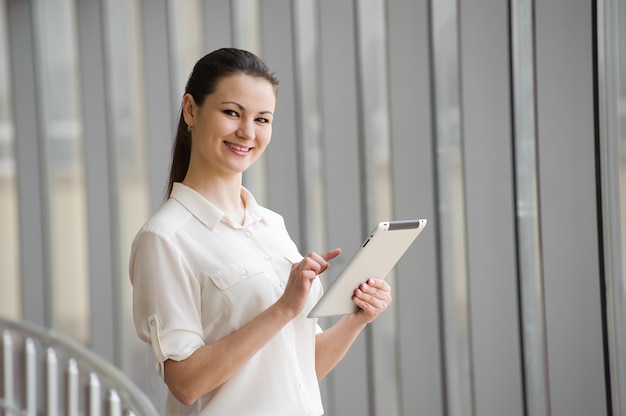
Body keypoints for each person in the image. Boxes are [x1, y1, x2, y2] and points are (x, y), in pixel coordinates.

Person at [129, 47, 392, 416]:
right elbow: (185, 383)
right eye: (232, 113)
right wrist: (283, 309)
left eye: (263, 119)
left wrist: (356, 319)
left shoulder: (270, 225)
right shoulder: (164, 239)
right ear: (191, 110)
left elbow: (299, 367)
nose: (247, 132)